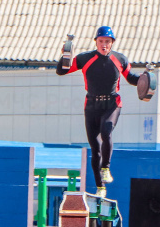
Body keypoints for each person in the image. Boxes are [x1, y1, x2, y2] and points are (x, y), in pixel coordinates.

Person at [56, 26, 142, 197]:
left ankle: (106, 168)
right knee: (94, 147)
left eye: (107, 41)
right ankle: (100, 187)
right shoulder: (84, 58)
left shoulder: (120, 59)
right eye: (101, 41)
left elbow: (131, 78)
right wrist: (65, 55)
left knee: (106, 130)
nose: (104, 44)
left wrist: (146, 78)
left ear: (112, 43)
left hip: (112, 104)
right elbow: (61, 70)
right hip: (92, 105)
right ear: (96, 41)